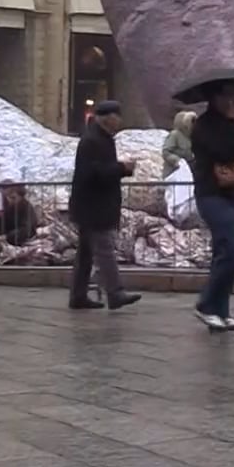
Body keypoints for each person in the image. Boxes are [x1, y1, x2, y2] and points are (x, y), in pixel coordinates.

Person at [191, 86, 234, 332]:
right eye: (226, 96)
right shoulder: (203, 126)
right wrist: (232, 124)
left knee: (227, 254)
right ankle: (206, 305)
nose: (231, 101)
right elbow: (224, 151)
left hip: (231, 193)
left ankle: (221, 311)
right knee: (229, 253)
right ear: (214, 98)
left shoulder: (229, 124)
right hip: (212, 194)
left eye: (233, 96)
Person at [68, 100, 140, 311]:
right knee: (104, 249)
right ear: (107, 118)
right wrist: (122, 168)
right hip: (93, 206)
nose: (119, 121)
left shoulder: (101, 139)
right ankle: (115, 293)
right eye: (117, 116)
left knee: (86, 253)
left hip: (91, 205)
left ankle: (78, 296)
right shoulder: (92, 141)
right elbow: (94, 173)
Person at [164, 110, 196, 174]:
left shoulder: (193, 136)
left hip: (190, 170)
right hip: (174, 171)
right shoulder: (175, 135)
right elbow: (166, 152)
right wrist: (177, 160)